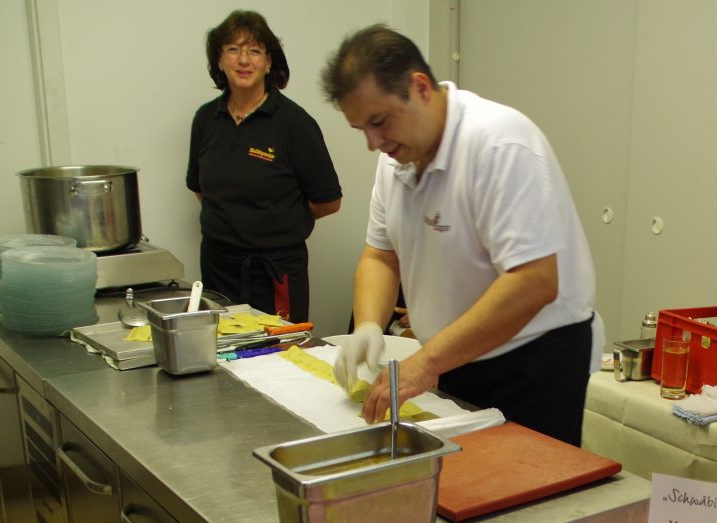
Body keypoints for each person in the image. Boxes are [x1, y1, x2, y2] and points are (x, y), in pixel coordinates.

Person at [321, 25, 602, 446]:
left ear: (419, 87)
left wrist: (427, 361)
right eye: (361, 128)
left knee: (526, 501)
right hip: (455, 356)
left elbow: (534, 281)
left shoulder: (499, 144)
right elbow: (380, 256)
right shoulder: (396, 157)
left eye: (378, 122)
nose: (372, 142)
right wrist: (367, 326)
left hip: (531, 362)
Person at [187, 10, 342, 322]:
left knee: (280, 361)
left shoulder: (294, 123)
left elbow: (328, 201)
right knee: (222, 358)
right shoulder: (206, 119)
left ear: (269, 62)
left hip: (276, 272)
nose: (244, 60)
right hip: (218, 269)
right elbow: (200, 189)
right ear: (219, 60)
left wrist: (276, 221)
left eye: (254, 51)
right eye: (233, 49)